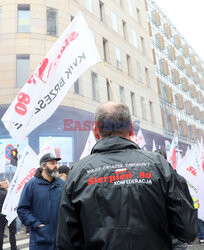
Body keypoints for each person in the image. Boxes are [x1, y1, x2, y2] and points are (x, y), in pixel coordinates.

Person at [57, 101, 198, 250]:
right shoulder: (159, 166)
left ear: (95, 131)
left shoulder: (78, 173)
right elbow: (188, 231)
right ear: (131, 129)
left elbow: (66, 243)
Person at [17, 153, 64, 250]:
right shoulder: (31, 185)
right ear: (43, 166)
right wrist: (37, 225)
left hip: (60, 240)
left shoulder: (62, 184)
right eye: (52, 163)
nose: (56, 166)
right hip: (40, 240)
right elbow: (22, 210)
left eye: (56, 163)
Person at [154, 149, 193, 250]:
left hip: (174, 234)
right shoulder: (148, 181)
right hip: (159, 234)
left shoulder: (179, 179)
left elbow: (187, 206)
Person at [0, 180, 18, 250]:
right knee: (12, 232)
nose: (7, 184)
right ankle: (13, 247)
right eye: (5, 183)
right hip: (8, 214)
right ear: (2, 185)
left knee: (0, 232)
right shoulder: (7, 194)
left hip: (0, 215)